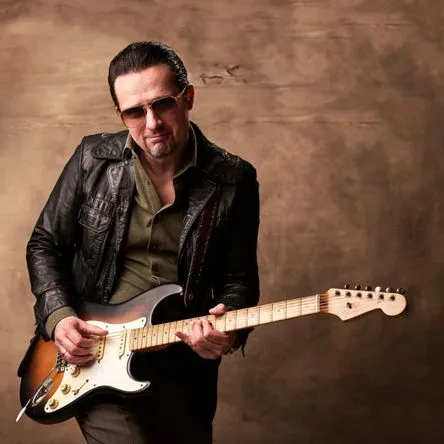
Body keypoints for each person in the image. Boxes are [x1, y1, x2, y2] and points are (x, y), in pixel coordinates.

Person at [26, 41, 260, 444]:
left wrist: (229, 330)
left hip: (183, 366)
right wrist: (60, 317)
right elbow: (45, 243)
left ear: (188, 97)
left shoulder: (233, 179)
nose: (152, 123)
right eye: (135, 111)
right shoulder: (92, 159)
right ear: (120, 113)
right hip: (97, 356)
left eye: (163, 104)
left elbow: (238, 280)